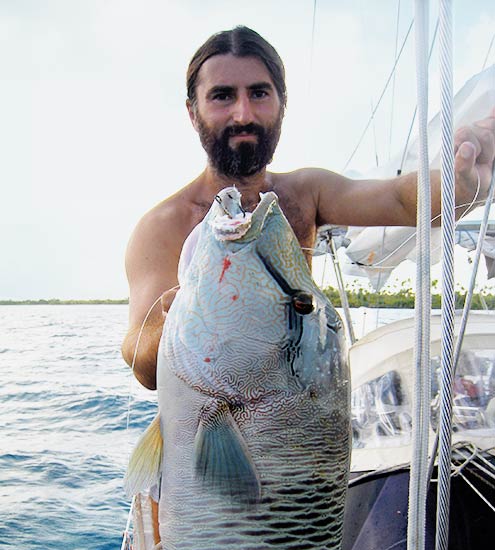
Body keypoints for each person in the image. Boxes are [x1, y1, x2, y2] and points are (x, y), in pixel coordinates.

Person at [121, 26, 495, 390]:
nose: (243, 114)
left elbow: (399, 199)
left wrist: (458, 181)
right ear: (193, 111)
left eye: (259, 93)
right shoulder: (163, 225)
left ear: (282, 104)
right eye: (222, 96)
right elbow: (141, 360)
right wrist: (180, 316)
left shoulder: (306, 192)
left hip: (297, 418)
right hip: (215, 429)